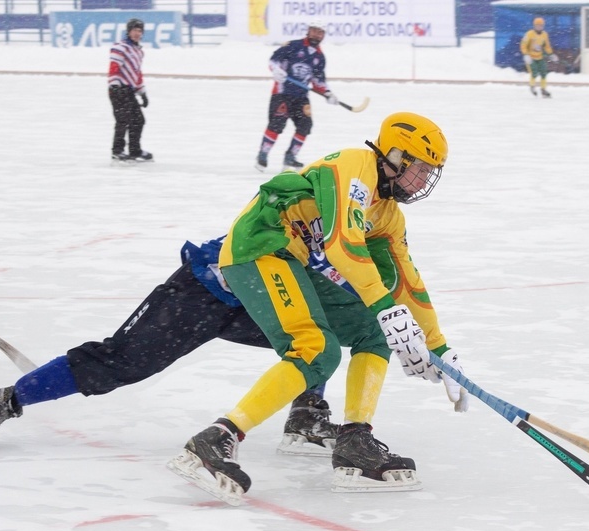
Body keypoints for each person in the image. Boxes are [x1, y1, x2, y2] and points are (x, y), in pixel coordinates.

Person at [172, 112, 471, 503]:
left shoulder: (389, 216)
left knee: (374, 331)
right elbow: (343, 246)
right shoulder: (351, 168)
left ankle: (354, 440)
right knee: (316, 350)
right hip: (260, 246)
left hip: (295, 260)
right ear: (395, 156)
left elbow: (406, 281)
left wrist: (439, 346)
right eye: (420, 169)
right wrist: (385, 307)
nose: (423, 182)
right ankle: (216, 438)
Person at [0, 237, 342, 456]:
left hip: (257, 300)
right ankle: (6, 400)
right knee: (120, 363)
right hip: (204, 289)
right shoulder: (329, 206)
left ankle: (307, 415)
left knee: (316, 338)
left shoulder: (371, 225)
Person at [254, 21, 339, 172]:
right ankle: (263, 153)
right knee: (276, 124)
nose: (316, 34)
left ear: (323, 35)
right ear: (308, 31)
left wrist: (327, 93)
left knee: (305, 125)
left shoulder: (320, 57)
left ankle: (290, 156)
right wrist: (276, 70)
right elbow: (273, 60)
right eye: (314, 31)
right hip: (282, 93)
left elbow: (318, 81)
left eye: (320, 32)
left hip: (301, 97)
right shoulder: (292, 46)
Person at [108, 18, 152, 162]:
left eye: (140, 31)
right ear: (128, 31)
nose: (137, 33)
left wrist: (142, 92)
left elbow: (137, 74)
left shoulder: (138, 52)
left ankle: (134, 150)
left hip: (129, 90)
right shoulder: (120, 47)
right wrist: (115, 85)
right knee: (123, 120)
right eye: (134, 30)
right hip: (118, 89)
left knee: (138, 120)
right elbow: (114, 67)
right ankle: (117, 150)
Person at [520, 17, 557, 98]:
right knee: (534, 72)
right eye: (537, 25)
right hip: (531, 58)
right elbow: (523, 45)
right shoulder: (529, 34)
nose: (539, 27)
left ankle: (543, 89)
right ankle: (532, 86)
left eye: (541, 26)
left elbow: (547, 46)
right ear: (534, 26)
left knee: (544, 72)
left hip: (540, 57)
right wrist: (526, 54)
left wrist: (551, 54)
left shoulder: (544, 35)